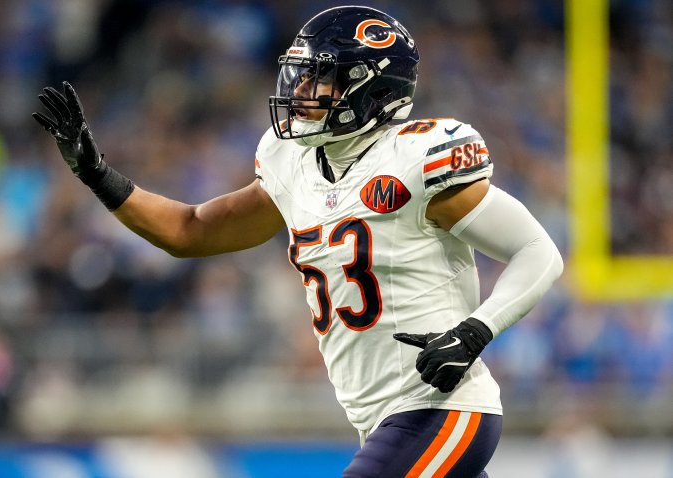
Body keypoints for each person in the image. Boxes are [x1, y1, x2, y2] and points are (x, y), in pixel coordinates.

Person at [33, 5, 563, 477]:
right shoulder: (294, 165)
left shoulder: (417, 161)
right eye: (300, 77)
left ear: (371, 88)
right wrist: (98, 174)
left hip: (441, 410)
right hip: (380, 419)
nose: (300, 93)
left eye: (320, 80)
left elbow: (537, 251)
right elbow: (189, 230)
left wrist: (476, 331)